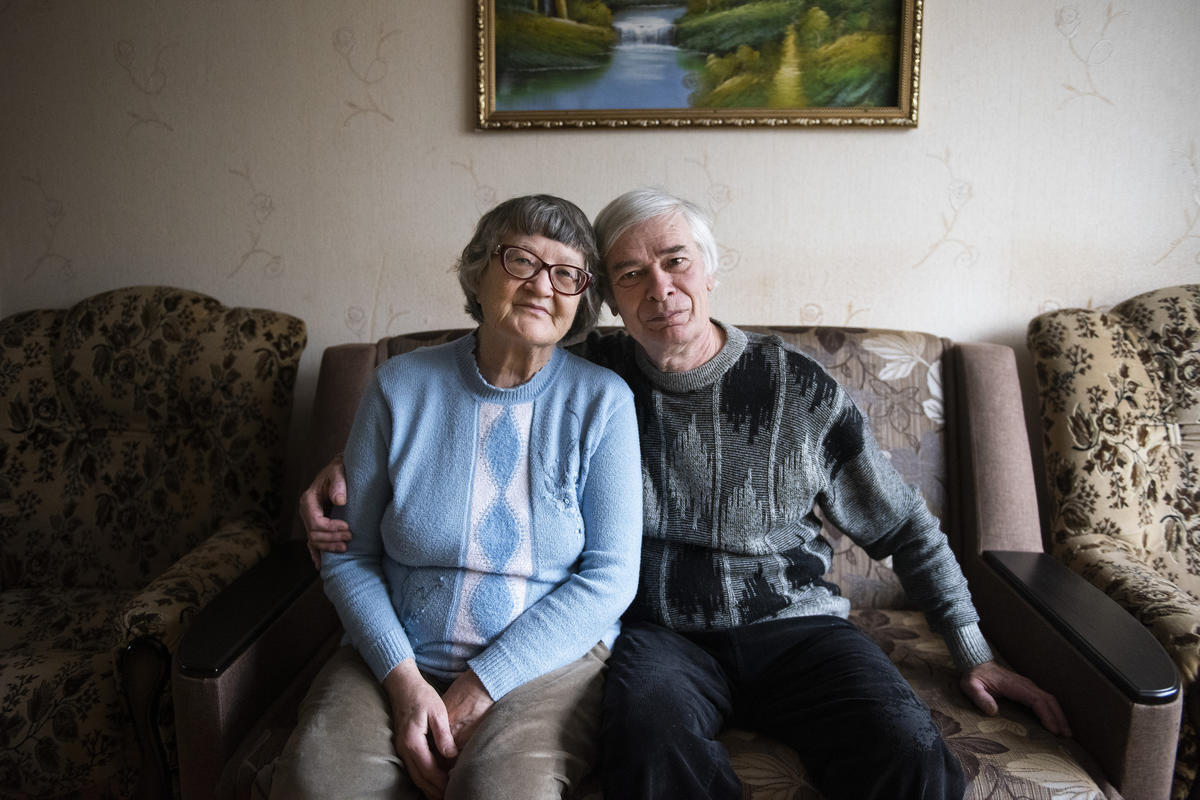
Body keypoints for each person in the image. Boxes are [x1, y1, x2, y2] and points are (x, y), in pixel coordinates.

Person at [302, 188, 1070, 800]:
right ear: (610, 299)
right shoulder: (600, 369)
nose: (659, 289)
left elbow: (906, 526)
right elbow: (477, 393)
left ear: (709, 270)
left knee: (908, 753)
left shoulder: (794, 388)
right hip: (664, 635)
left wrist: (971, 646)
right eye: (631, 274)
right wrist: (351, 463)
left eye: (674, 262)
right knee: (651, 748)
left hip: (795, 629)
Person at [273, 195, 642, 800]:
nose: (541, 285)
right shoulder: (399, 386)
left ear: (582, 299)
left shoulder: (603, 401)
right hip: (398, 653)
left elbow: (611, 576)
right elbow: (349, 553)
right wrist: (403, 681)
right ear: (479, 269)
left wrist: (482, 683)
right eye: (521, 260)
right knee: (320, 784)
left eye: (566, 273)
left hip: (545, 666)